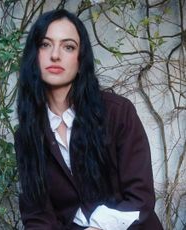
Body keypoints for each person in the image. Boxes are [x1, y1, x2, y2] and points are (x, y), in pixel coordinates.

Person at [14, 9, 163, 230]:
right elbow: (37, 216)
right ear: (34, 55)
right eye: (45, 44)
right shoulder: (27, 134)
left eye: (68, 46)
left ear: (81, 58)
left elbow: (139, 197)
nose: (55, 55)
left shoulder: (118, 113)